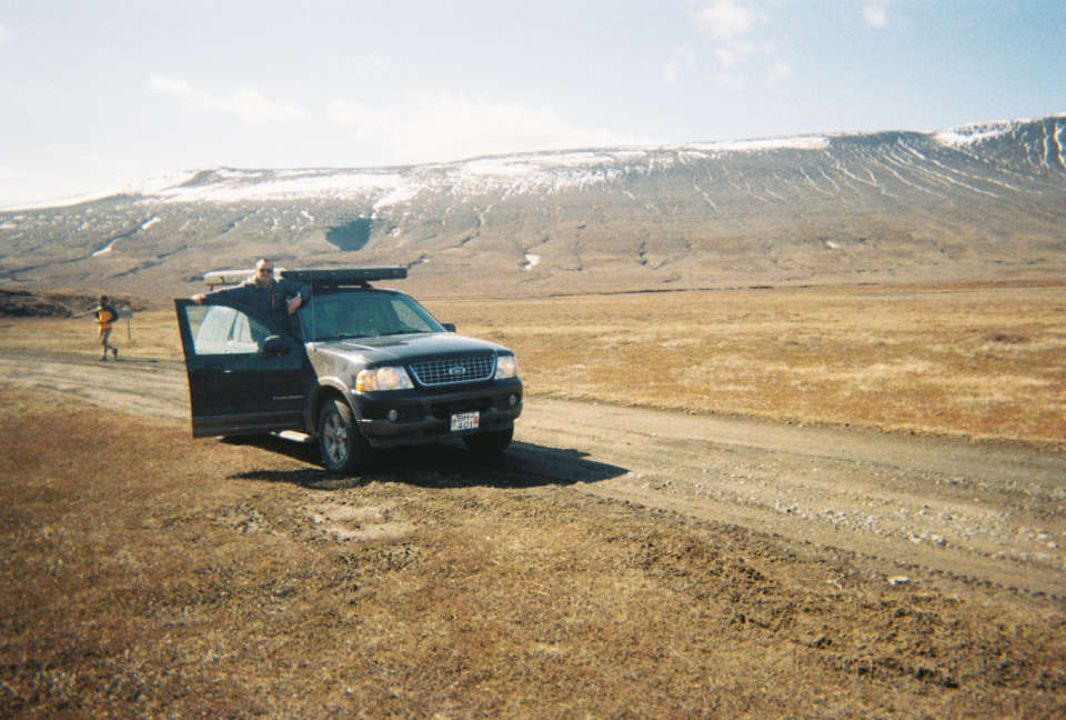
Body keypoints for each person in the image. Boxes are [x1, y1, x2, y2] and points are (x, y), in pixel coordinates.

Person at [192, 258, 308, 320]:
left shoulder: (281, 285)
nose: (265, 273)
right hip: (261, 338)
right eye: (262, 270)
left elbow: (305, 288)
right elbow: (225, 294)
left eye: (269, 271)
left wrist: (299, 299)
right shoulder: (247, 289)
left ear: (273, 272)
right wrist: (204, 296)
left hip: (285, 335)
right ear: (256, 271)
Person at [94, 295, 120, 361]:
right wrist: (97, 320)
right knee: (103, 342)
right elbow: (97, 316)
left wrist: (108, 321)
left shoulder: (110, 308)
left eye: (103, 301)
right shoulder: (99, 309)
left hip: (108, 327)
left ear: (106, 301)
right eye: (101, 301)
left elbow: (116, 317)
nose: (102, 302)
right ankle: (114, 350)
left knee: (105, 341)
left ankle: (105, 356)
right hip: (101, 328)